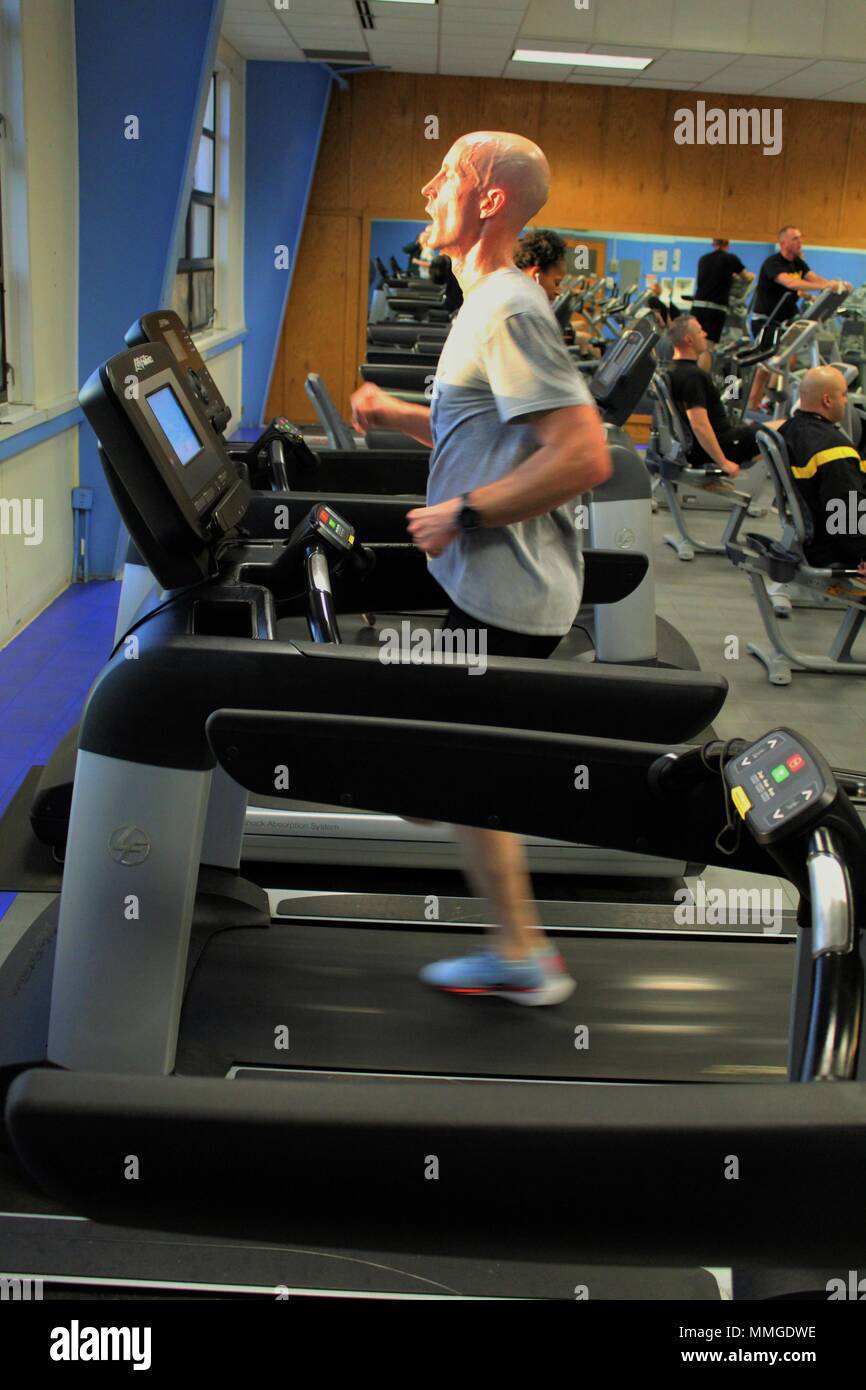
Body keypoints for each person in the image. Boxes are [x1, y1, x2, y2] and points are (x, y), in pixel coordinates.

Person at [350, 131, 610, 1006]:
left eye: (448, 177)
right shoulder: (483, 302)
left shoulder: (506, 305)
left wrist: (464, 512)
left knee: (440, 770)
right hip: (497, 584)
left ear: (490, 200)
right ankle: (519, 946)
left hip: (506, 593)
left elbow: (581, 455)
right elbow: (492, 425)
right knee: (452, 770)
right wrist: (400, 415)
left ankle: (525, 957)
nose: (427, 189)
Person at [747, 226, 851, 410]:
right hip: (766, 321)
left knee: (787, 359)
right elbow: (790, 283)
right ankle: (753, 405)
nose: (800, 242)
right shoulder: (773, 262)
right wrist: (828, 285)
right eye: (795, 238)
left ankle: (768, 400)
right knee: (767, 365)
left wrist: (836, 286)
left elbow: (813, 278)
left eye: (800, 238)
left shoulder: (798, 264)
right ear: (783, 243)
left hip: (785, 321)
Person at [778, 365, 866, 575]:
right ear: (827, 400)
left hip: (815, 530)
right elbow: (846, 517)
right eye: (844, 395)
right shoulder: (835, 452)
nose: (846, 401)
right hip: (833, 547)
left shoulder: (789, 428)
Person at [668, 315, 775, 476]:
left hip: (711, 442)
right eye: (700, 331)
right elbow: (699, 426)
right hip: (725, 445)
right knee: (788, 430)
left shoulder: (672, 370)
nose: (705, 334)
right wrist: (723, 463)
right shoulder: (694, 376)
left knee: (780, 429)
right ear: (689, 340)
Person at [514, 229, 600, 357]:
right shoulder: (520, 309)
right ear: (535, 275)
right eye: (556, 282)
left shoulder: (519, 296)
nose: (558, 291)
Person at [693, 238, 754, 372]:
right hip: (715, 309)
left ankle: (692, 376)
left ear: (713, 244)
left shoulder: (703, 259)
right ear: (727, 244)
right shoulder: (731, 259)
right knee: (707, 348)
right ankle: (703, 379)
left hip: (697, 306)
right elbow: (747, 277)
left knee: (696, 345)